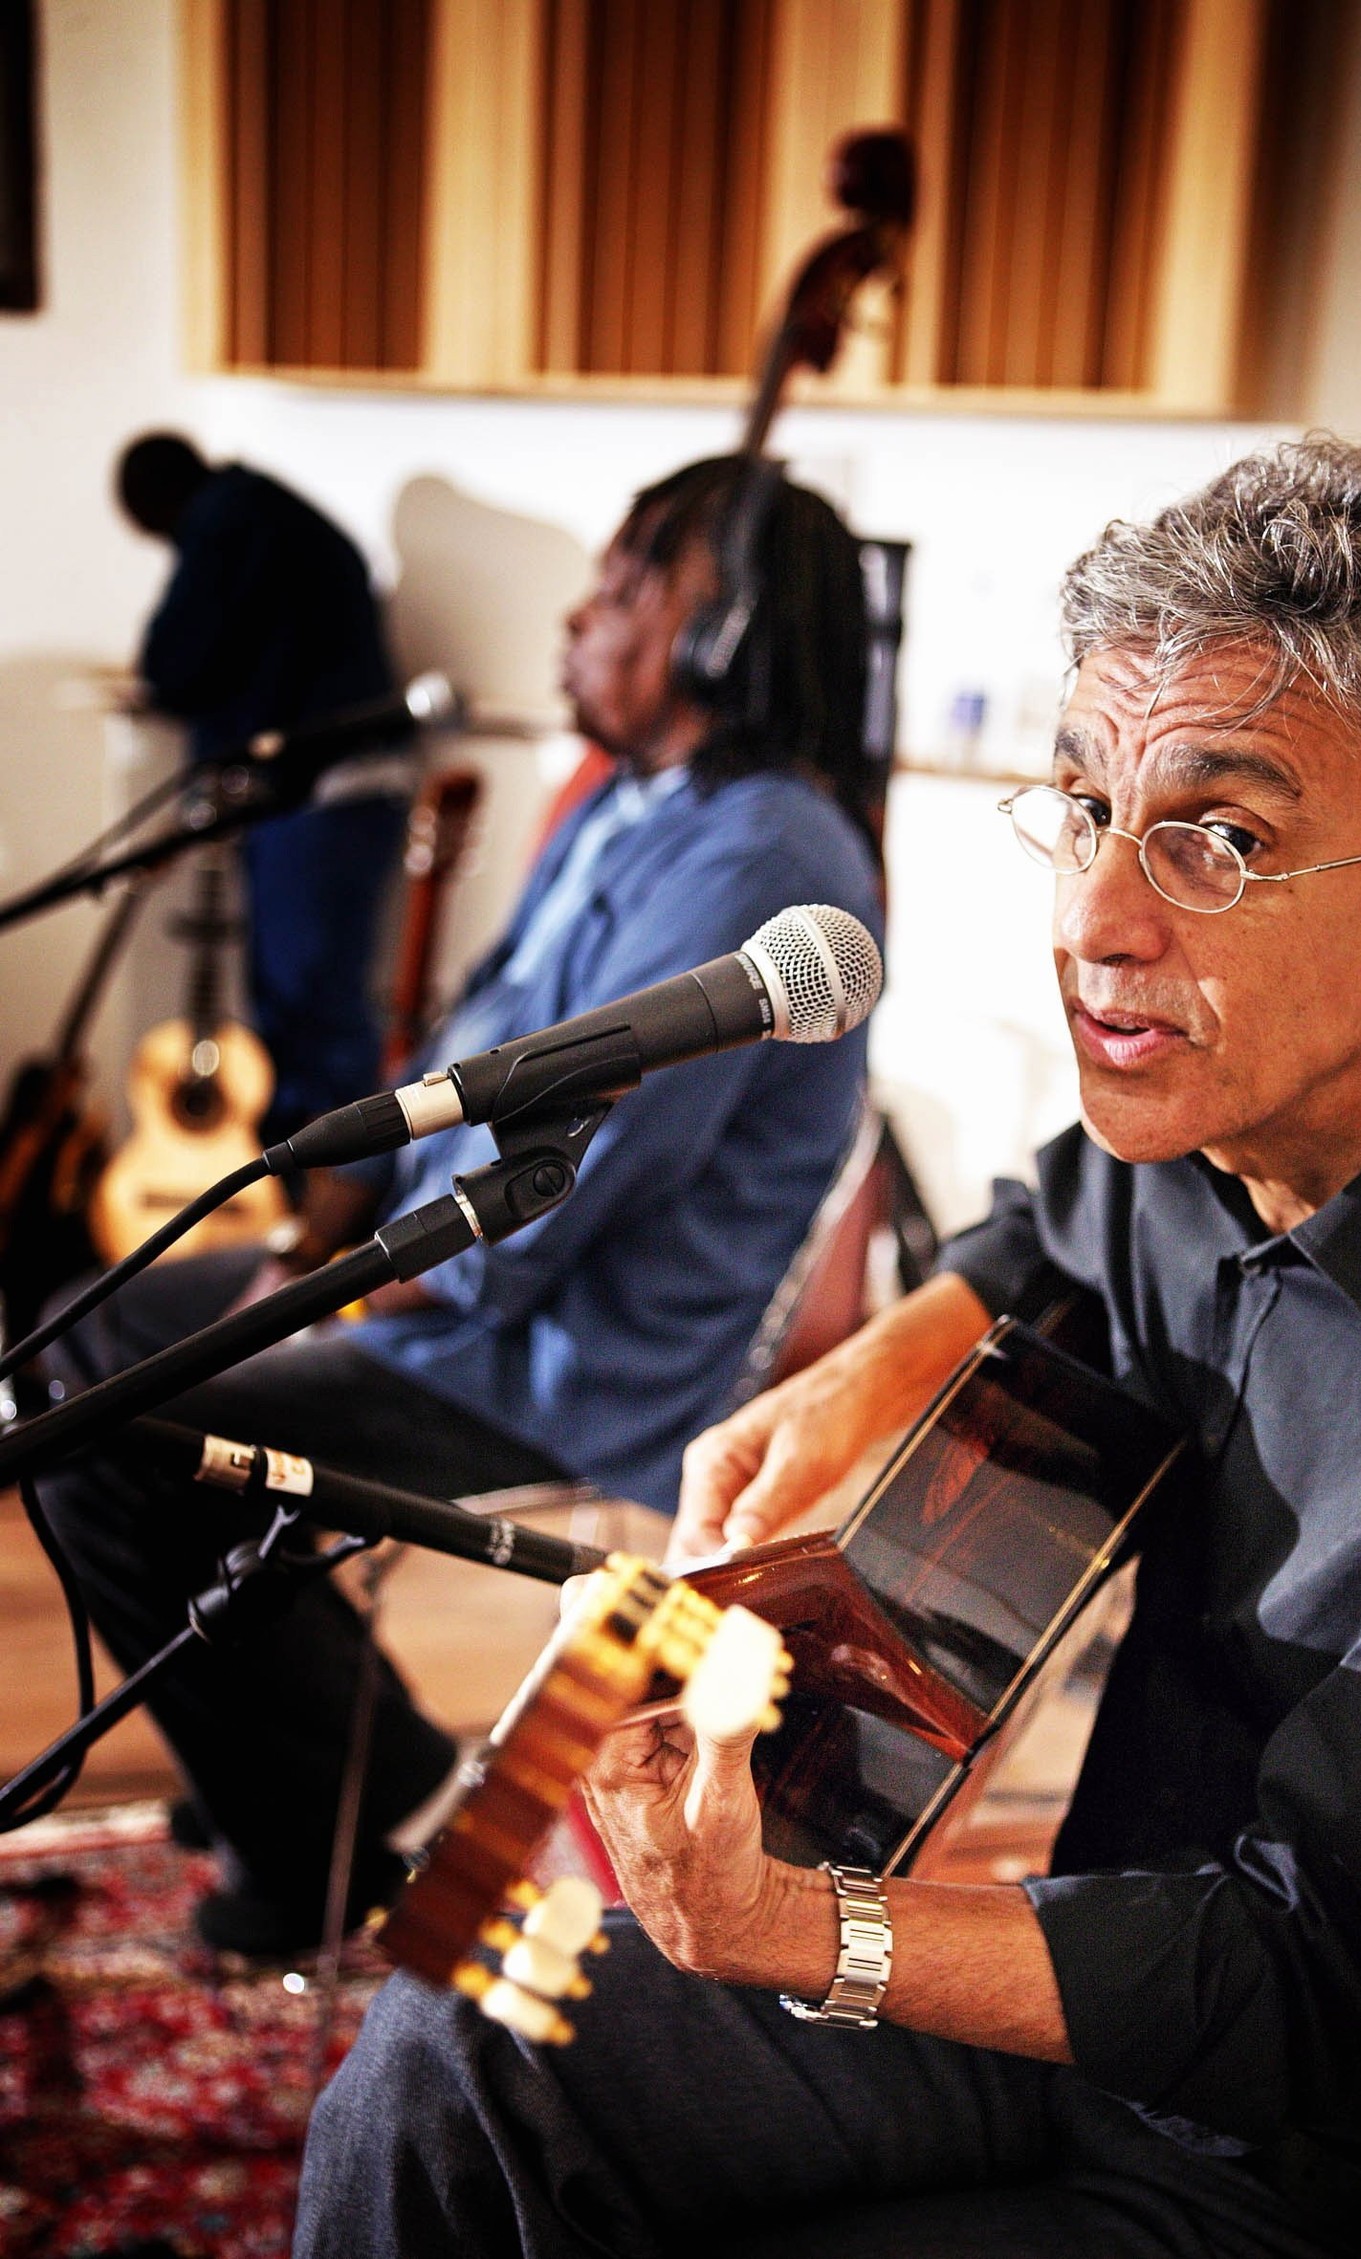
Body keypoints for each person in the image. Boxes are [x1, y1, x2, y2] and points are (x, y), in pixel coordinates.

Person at [296, 438, 1361, 2259]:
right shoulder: (1204, 1131)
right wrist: (882, 1353)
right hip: (1088, 1996)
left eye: (1218, 836)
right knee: (458, 2039)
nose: (1095, 921)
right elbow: (1055, 1211)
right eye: (1082, 808)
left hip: (1342, 2154)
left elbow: (1327, 1975)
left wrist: (796, 1928)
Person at [40, 457, 885, 1957]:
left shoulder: (764, 848)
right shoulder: (633, 801)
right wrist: (317, 1243)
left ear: (723, 631)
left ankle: (343, 1828)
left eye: (626, 585)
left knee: (121, 1445)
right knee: (75, 1339)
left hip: (559, 1369)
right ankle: (316, 1755)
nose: (579, 613)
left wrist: (363, 1282)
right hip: (461, 1300)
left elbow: (590, 1168)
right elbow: (478, 1038)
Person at [115, 431, 410, 1137]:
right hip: (329, 796)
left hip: (328, 799)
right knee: (297, 1009)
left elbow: (177, 664)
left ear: (155, 505)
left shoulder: (227, 522)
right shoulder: (265, 514)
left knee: (311, 1010)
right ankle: (300, 1207)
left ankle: (323, 1216)